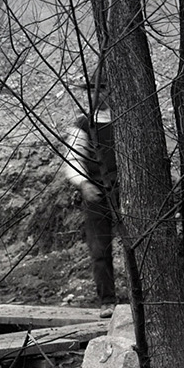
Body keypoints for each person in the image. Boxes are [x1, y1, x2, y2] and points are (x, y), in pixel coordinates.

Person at [62, 96, 118, 305]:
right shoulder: (83, 125)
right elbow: (73, 159)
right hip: (97, 192)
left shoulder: (123, 120)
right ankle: (107, 300)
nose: (99, 95)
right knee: (100, 249)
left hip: (124, 189)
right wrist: (84, 183)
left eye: (105, 89)